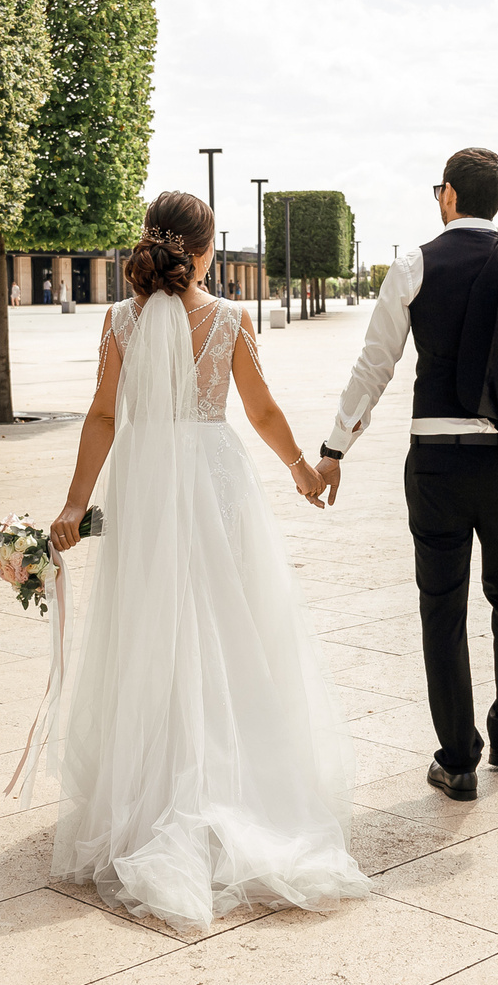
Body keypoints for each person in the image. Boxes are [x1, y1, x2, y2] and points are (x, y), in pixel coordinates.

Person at [39, 190, 368, 932]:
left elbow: (101, 416)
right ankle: (234, 782)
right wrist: (300, 469)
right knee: (227, 624)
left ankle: (149, 791)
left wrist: (72, 503)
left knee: (151, 625)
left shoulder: (119, 321)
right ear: (207, 249)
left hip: (148, 485)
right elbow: (262, 410)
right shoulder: (227, 319)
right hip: (216, 484)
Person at [315, 147, 498, 801]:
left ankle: (459, 758)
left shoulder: (415, 263)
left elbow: (375, 365)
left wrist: (335, 448)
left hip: (437, 459)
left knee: (441, 607)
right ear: (496, 199)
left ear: (447, 195)